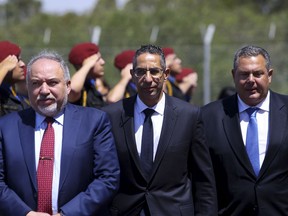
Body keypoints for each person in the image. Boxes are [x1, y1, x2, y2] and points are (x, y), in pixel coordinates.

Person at [0, 50, 120, 215]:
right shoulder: (7, 126)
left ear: (68, 86)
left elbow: (108, 178)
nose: (44, 90)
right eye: (36, 83)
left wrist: (68, 213)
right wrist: (25, 213)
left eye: (52, 82)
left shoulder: (94, 122)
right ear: (27, 87)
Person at [102, 44, 217, 216]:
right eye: (141, 72)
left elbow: (203, 179)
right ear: (132, 75)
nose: (148, 79)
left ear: (166, 74)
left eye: (155, 71)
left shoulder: (189, 115)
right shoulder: (111, 116)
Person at [201, 45, 288, 215]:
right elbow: (202, 180)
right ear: (234, 76)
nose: (251, 80)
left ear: (269, 75)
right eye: (244, 74)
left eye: (257, 74)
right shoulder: (209, 116)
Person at [68, 42, 109, 108]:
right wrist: (88, 65)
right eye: (97, 59)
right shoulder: (81, 87)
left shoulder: (91, 85)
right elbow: (73, 88)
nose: (103, 62)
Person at [0, 40, 29, 116]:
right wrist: (3, 69)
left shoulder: (17, 95)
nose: (23, 64)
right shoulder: (2, 95)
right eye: (16, 60)